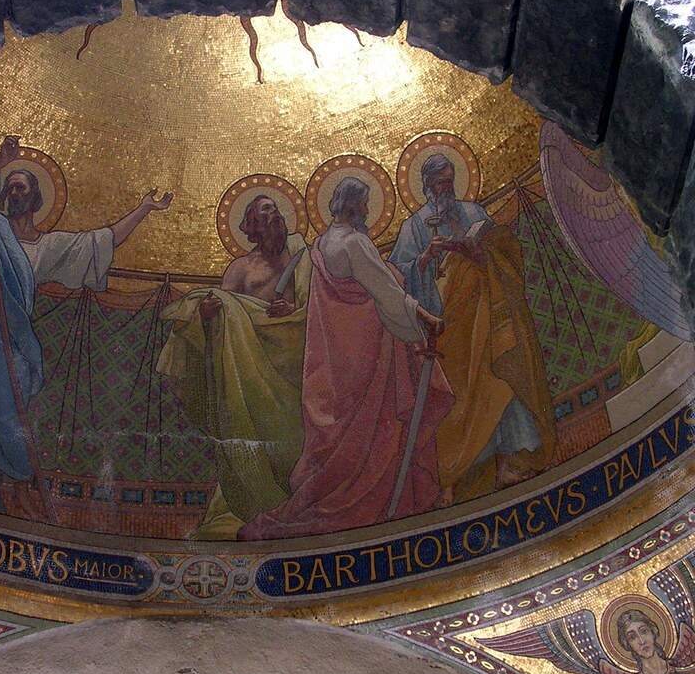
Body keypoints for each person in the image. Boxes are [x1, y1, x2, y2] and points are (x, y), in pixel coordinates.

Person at [0, 136, 172, 513]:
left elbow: (99, 244)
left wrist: (144, 209)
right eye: (9, 188)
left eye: (21, 188)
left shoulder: (46, 247)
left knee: (1, 405)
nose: (13, 193)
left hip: (9, 341)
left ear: (36, 198)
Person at [238, 178, 452, 540]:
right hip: (369, 359)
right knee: (376, 434)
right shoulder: (354, 242)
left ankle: (339, 501)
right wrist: (426, 320)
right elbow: (387, 292)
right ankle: (379, 505)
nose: (367, 210)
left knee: (344, 440)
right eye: (364, 204)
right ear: (354, 206)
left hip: (337, 361)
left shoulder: (322, 243)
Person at [389, 154, 556, 506]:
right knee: (454, 401)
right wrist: (425, 258)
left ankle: (507, 463)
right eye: (439, 184)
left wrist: (477, 252)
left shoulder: (473, 212)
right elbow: (397, 279)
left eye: (449, 182)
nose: (445, 190)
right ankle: (451, 477)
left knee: (500, 382)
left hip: (485, 317)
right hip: (447, 328)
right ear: (425, 186)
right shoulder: (413, 228)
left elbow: (502, 251)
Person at [158, 195, 310, 539]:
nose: (274, 216)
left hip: (293, 363)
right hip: (246, 368)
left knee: (295, 436)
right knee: (253, 434)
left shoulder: (304, 259)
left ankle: (298, 500)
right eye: (265, 212)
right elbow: (222, 313)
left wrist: (294, 312)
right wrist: (206, 315)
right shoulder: (241, 269)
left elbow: (319, 308)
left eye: (275, 210)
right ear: (252, 226)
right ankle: (261, 504)